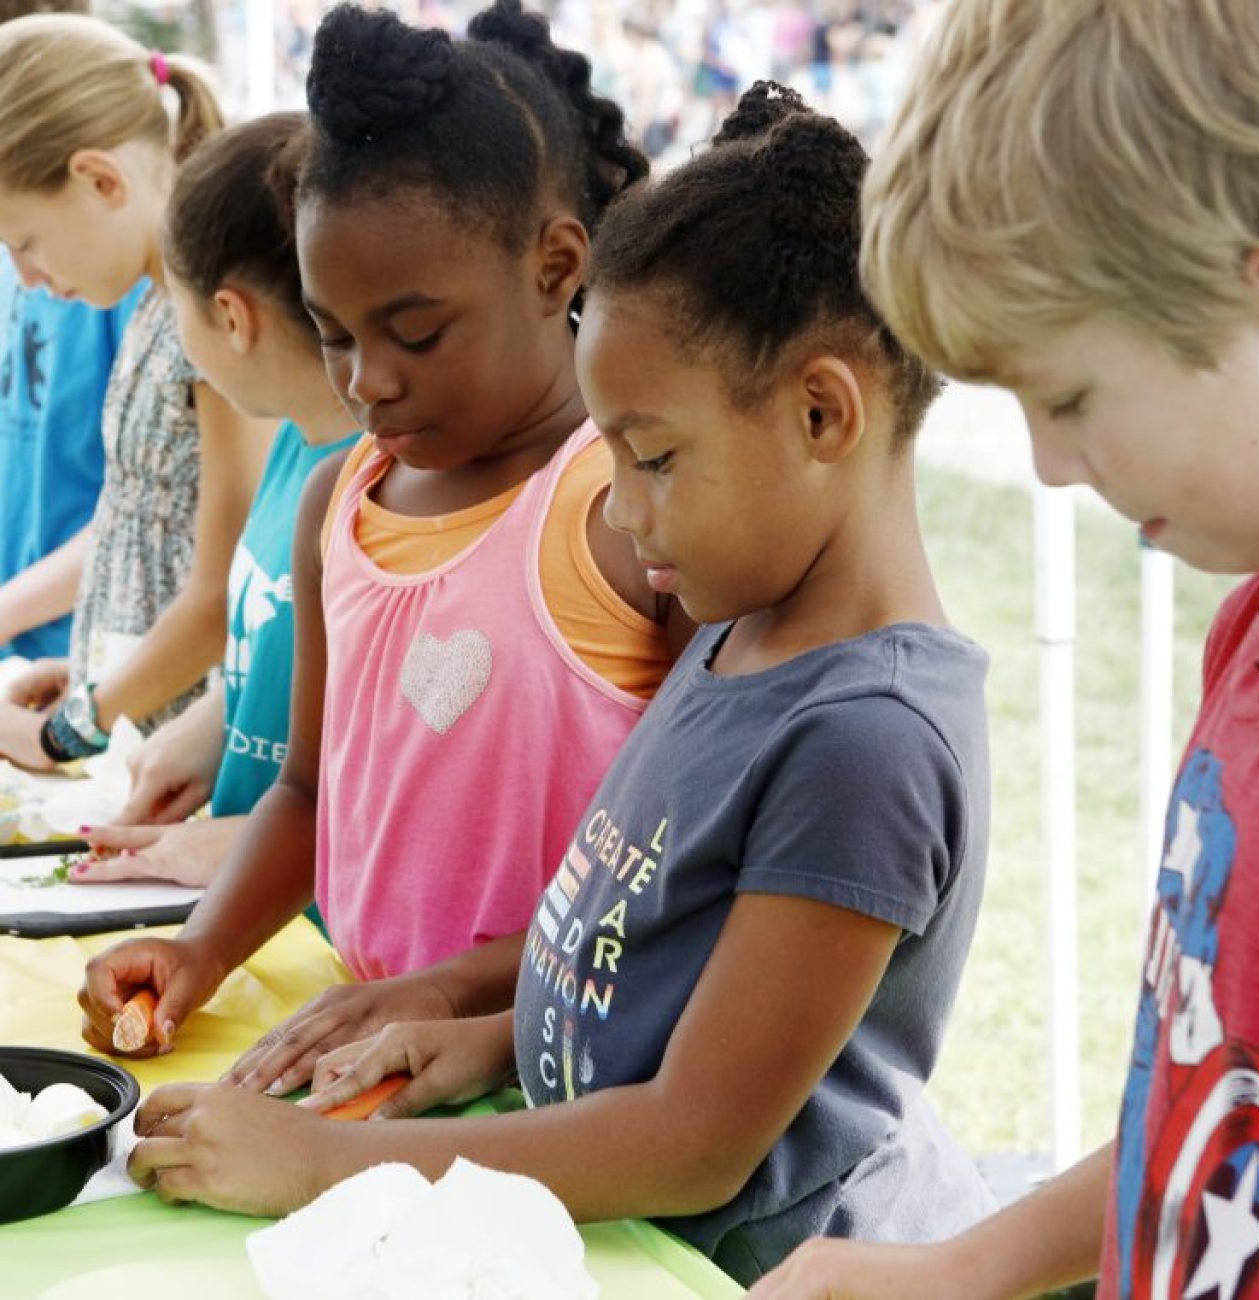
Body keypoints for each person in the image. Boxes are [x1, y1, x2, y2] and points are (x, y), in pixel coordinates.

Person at [123, 81, 995, 1287]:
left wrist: (324, 1166)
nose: (623, 512)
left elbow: (695, 1141)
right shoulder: (737, 635)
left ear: (820, 411)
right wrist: (484, 1032)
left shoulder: (866, 740)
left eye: (651, 458)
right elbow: (634, 949)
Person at [747, 2, 1259, 1298]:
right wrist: (961, 1269)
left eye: (1070, 399)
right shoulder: (1251, 631)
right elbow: (1213, 1105)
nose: (1049, 468)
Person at [79, 1, 681, 1088]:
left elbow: (676, 883)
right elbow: (308, 793)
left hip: (550, 1079)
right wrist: (199, 947)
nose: (368, 379)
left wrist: (444, 998)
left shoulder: (626, 513)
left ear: (555, 267)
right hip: (362, 1056)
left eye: (415, 332)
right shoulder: (336, 502)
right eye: (334, 334)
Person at [67, 114, 361, 885]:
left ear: (230, 316)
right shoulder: (296, 439)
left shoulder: (375, 482)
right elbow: (287, 664)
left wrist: (241, 844)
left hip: (318, 939)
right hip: (236, 914)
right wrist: (210, 730)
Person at [0, 13, 274, 768]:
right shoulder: (157, 304)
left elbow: (221, 596)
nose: (27, 278)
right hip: (126, 732)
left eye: (25, 242)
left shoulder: (216, 320)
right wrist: (95, 677)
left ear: (99, 179)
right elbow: (141, 523)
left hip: (174, 765)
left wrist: (68, 729)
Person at [0, 0, 143, 664]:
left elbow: (151, 508)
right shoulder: (32, 246)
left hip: (83, 659)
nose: (26, 271)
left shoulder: (116, 276)